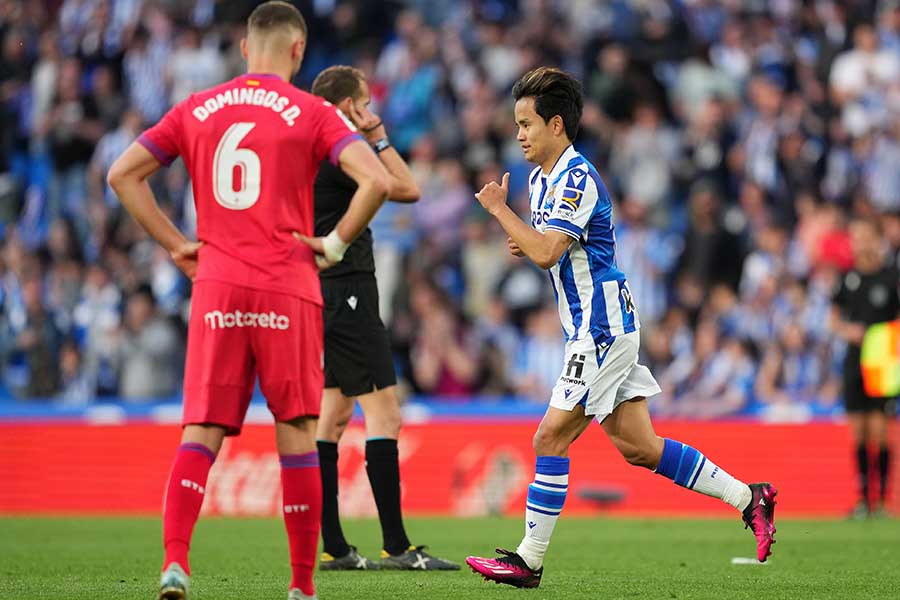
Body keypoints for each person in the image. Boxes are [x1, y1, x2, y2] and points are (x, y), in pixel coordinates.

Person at [107, 3, 390, 599]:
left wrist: (176, 245)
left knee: (201, 430)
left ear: (244, 48)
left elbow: (122, 174)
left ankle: (175, 564)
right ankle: (302, 586)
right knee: (297, 431)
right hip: (288, 282)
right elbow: (378, 180)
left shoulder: (196, 107)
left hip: (218, 283)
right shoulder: (312, 111)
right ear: (298, 50)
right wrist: (335, 243)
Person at [465, 67, 777, 589]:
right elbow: (549, 247)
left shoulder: (577, 178)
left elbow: (547, 251)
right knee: (640, 448)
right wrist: (524, 237)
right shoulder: (542, 180)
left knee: (549, 437)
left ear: (556, 125)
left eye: (526, 123)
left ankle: (528, 560)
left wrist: (500, 212)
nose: (518, 134)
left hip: (601, 326)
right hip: (596, 324)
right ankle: (751, 498)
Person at [309, 65, 458, 571]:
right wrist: (377, 136)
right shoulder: (339, 146)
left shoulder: (309, 146)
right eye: (365, 103)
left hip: (324, 292)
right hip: (349, 288)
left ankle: (334, 546)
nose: (370, 111)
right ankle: (396, 547)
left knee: (333, 416)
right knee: (385, 415)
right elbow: (408, 188)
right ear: (349, 106)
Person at [831, 218, 899, 518]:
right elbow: (834, 318)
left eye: (865, 237)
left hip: (882, 363)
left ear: (876, 239)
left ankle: (883, 500)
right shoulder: (848, 278)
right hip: (854, 360)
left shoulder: (890, 276)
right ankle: (862, 500)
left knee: (880, 431)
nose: (860, 243)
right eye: (855, 238)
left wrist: (884, 336)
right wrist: (848, 331)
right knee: (858, 432)